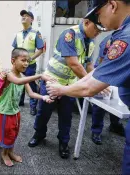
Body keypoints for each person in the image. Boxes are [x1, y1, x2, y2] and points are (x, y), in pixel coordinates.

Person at [45, 0, 130, 173]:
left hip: (66, 85)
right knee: (43, 115)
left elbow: (90, 78)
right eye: (96, 22)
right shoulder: (71, 35)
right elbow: (81, 67)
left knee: (65, 119)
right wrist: (86, 83)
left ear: (112, 6)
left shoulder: (125, 37)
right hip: (54, 79)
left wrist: (64, 90)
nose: (100, 26)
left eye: (98, 15)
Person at [28, 15, 102, 159]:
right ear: (86, 22)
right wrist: (92, 83)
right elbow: (73, 64)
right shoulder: (69, 34)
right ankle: (39, 134)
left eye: (100, 31)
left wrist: (98, 79)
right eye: (97, 29)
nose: (98, 33)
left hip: (70, 85)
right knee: (43, 112)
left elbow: (88, 65)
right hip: (52, 81)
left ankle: (63, 142)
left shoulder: (91, 42)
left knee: (66, 116)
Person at [0, 48, 53, 167]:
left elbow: (31, 94)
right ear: (13, 61)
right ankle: (4, 154)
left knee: (14, 133)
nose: (26, 63)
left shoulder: (22, 75)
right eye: (23, 60)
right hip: (5, 112)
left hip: (15, 112)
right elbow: (17, 82)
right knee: (6, 134)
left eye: (28, 61)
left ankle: (10, 152)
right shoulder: (8, 74)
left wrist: (43, 97)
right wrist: (40, 76)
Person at [91, 35, 125, 145]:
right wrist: (102, 80)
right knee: (101, 101)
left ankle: (114, 125)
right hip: (104, 71)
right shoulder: (112, 39)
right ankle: (96, 131)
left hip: (119, 73)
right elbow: (102, 60)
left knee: (117, 101)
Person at [12, 10, 44, 115]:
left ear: (32, 20)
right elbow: (15, 49)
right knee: (18, 81)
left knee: (30, 83)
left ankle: (33, 106)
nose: (23, 17)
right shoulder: (18, 34)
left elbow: (40, 49)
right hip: (18, 65)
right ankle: (20, 102)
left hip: (29, 65)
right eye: (22, 16)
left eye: (26, 16)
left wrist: (31, 58)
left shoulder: (35, 33)